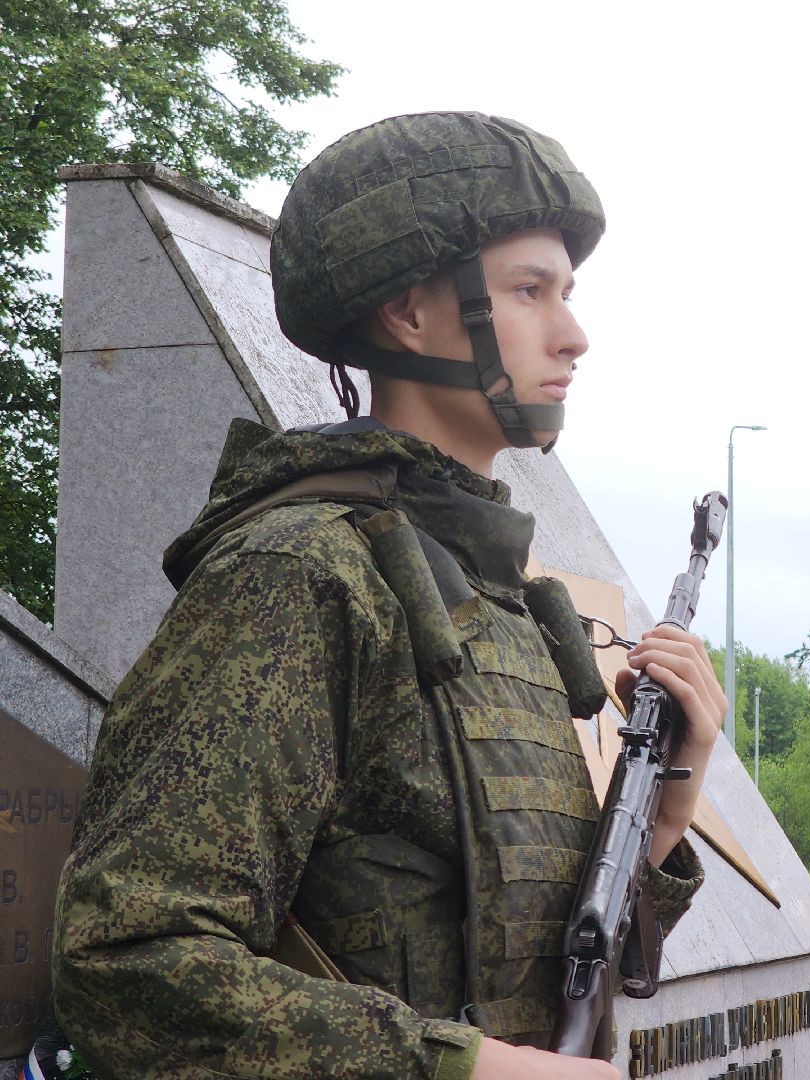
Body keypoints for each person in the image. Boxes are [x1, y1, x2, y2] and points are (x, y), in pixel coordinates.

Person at [51, 113, 726, 1080]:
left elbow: (529, 965)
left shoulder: (496, 595)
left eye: (567, 293)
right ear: (410, 313)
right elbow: (125, 961)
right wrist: (466, 1070)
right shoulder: (299, 573)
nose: (574, 335)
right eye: (530, 292)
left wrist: (660, 823)